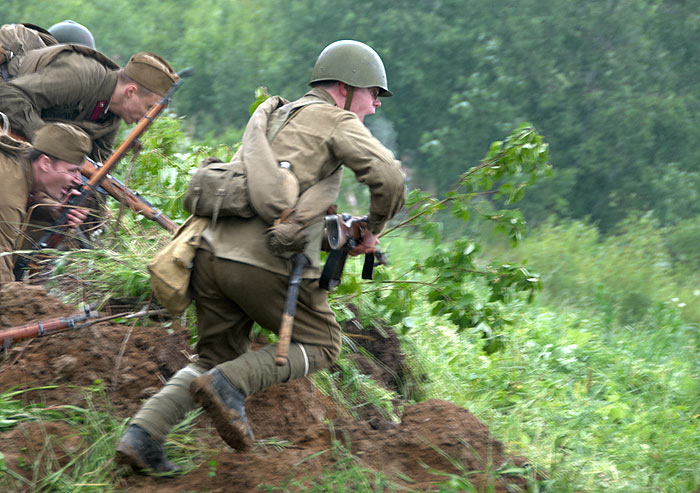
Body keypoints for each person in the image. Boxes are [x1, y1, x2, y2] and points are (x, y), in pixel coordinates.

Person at [115, 40, 406, 474]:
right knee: (323, 345)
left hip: (209, 254)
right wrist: (374, 228)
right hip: (264, 261)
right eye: (373, 93)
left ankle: (142, 435)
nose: (376, 104)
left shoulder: (277, 115)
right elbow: (389, 178)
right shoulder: (336, 119)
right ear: (345, 88)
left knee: (211, 357)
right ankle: (230, 385)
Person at [0, 46, 178, 162]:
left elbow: (98, 166)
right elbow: (9, 95)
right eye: (149, 108)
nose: (146, 118)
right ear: (130, 92)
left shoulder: (110, 117)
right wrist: (50, 142)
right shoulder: (81, 77)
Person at [0, 121, 91, 282]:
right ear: (45, 163)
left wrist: (53, 209)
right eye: (72, 171)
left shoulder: (24, 158)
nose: (78, 180)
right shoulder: (9, 197)